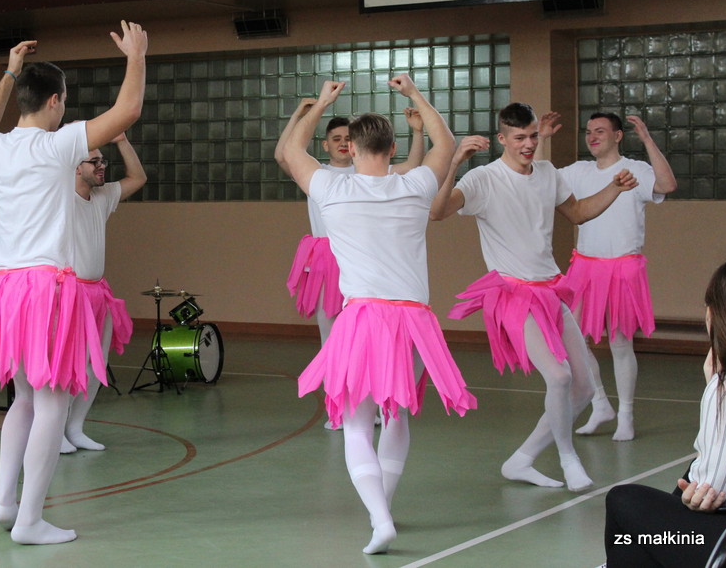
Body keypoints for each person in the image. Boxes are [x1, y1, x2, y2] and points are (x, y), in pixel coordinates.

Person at [0, 20, 148, 545]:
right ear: (57, 101)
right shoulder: (59, 146)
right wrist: (136, 56)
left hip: (4, 290)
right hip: (47, 289)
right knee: (52, 405)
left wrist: (9, 71)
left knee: (23, 399)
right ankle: (30, 520)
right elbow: (128, 111)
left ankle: (5, 502)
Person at [283, 76, 476, 555]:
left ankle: (380, 517)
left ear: (351, 148)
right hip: (414, 321)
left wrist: (321, 104)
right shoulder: (415, 186)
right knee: (397, 415)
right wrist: (415, 96)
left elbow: (291, 151)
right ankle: (382, 511)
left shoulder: (331, 189)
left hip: (363, 319)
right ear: (392, 148)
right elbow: (446, 143)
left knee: (355, 424)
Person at [429, 102, 637, 492]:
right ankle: (568, 459)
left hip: (550, 290)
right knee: (559, 377)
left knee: (584, 388)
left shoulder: (547, 174)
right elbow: (437, 212)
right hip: (512, 295)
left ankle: (521, 460)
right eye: (519, 137)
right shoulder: (483, 179)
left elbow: (578, 213)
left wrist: (615, 187)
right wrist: (455, 161)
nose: (527, 144)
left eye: (532, 136)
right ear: (502, 138)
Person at [275, 104, 425, 429]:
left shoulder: (374, 172)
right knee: (331, 334)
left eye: (347, 138)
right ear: (325, 145)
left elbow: (413, 166)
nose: (342, 143)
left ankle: (380, 402)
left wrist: (417, 132)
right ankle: (340, 408)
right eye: (336, 139)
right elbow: (284, 155)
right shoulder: (319, 175)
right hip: (327, 259)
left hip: (363, 259)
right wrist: (298, 116)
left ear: (356, 145)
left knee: (373, 337)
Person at [536, 111, 676, 442]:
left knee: (620, 341)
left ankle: (626, 414)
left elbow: (667, 184)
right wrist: (540, 139)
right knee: (573, 340)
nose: (592, 136)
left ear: (617, 136)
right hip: (585, 266)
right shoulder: (579, 171)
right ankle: (600, 404)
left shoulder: (634, 170)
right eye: (589, 131)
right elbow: (539, 180)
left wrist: (647, 139)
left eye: (600, 131)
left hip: (624, 266)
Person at [603, 260, 726, 567]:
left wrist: (714, 386)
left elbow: (711, 487)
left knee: (623, 501)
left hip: (720, 542)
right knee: (641, 535)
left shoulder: (723, 389)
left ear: (714, 314)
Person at [61, 133, 146, 453]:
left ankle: (75, 428)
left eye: (102, 160)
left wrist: (122, 141)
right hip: (68, 294)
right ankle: (54, 431)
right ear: (74, 167)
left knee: (95, 365)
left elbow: (138, 177)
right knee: (66, 365)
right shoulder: (58, 198)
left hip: (98, 292)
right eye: (93, 161)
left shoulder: (103, 196)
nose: (101, 166)